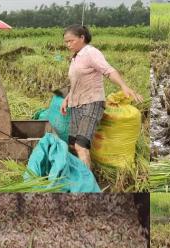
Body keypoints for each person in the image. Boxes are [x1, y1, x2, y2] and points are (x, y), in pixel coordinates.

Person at [60, 25, 143, 169]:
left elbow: (108, 70)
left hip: (91, 103)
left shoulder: (90, 52)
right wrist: (67, 99)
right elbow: (76, 82)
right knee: (73, 145)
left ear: (82, 38)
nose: (68, 45)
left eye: (71, 41)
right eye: (66, 42)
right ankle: (84, 172)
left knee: (81, 146)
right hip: (76, 104)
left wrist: (123, 86)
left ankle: (87, 185)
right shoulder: (76, 57)